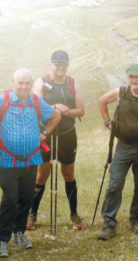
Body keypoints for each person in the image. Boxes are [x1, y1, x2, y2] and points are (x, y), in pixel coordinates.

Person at [0, 68, 61, 258]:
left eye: (28, 83)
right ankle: (3, 239)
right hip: (8, 159)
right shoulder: (2, 100)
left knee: (27, 197)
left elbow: (56, 115)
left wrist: (44, 133)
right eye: (20, 82)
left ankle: (19, 233)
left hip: (31, 160)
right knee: (10, 199)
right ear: (14, 82)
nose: (24, 86)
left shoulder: (36, 101)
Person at [97, 63, 138, 241]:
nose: (134, 79)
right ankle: (109, 224)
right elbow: (102, 100)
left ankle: (136, 220)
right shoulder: (121, 92)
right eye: (131, 76)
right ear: (127, 78)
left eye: (137, 76)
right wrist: (107, 122)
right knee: (115, 184)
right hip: (123, 145)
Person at [29, 50, 85, 230]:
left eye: (64, 64)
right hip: (46, 133)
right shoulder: (41, 81)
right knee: (41, 174)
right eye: (57, 64)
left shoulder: (73, 83)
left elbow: (80, 110)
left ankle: (74, 213)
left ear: (68, 65)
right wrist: (54, 108)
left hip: (67, 133)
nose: (61, 67)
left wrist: (66, 111)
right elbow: (35, 105)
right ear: (51, 65)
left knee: (68, 173)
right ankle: (32, 214)